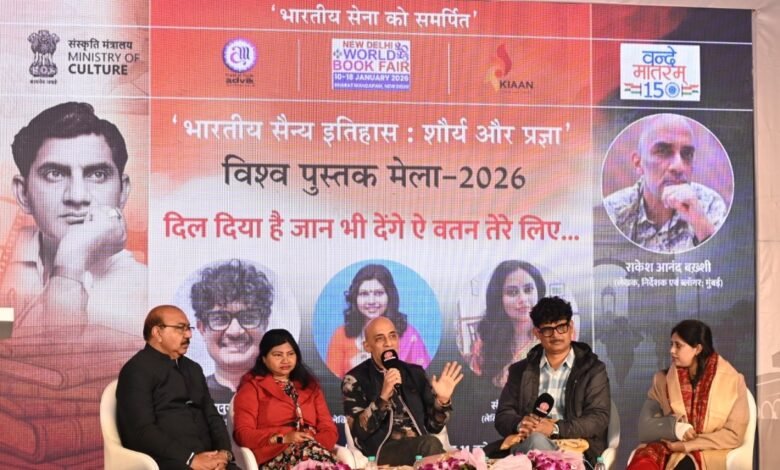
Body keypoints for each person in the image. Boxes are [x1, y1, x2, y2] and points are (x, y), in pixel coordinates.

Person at [2, 101, 146, 335]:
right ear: (23, 194)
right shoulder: (6, 269)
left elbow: (62, 349)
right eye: (54, 174)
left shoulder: (147, 289)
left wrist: (71, 259)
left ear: (123, 191)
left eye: (97, 174)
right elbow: (4, 344)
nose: (77, 196)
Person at [116, 305, 238, 470]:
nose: (188, 335)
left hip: (210, 460)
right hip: (169, 462)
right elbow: (141, 431)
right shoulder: (136, 370)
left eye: (188, 328)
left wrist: (223, 453)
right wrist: (191, 459)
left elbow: (212, 416)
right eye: (180, 328)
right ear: (157, 332)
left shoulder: (193, 369)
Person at [494, 296, 610, 467]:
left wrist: (555, 429)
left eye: (561, 327)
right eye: (548, 330)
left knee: (537, 442)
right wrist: (521, 424)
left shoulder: (592, 369)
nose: (556, 335)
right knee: (535, 441)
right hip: (528, 447)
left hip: (577, 449)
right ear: (537, 333)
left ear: (571, 327)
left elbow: (598, 418)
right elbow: (503, 415)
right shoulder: (520, 370)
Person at [627, 319, 749, 470]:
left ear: (697, 349)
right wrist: (676, 429)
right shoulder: (662, 380)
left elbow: (734, 435)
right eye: (671, 344)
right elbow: (644, 428)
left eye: (678, 345)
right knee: (643, 463)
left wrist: (689, 445)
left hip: (709, 451)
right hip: (668, 445)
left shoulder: (733, 381)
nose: (672, 350)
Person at [342, 316, 463, 466]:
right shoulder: (355, 379)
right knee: (431, 445)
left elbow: (434, 426)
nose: (388, 343)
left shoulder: (415, 373)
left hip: (421, 445)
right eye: (380, 339)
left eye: (392, 336)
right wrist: (383, 398)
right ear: (367, 346)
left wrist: (442, 401)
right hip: (382, 450)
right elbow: (359, 432)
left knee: (458, 456)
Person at [603, 113, 728, 253]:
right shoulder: (612, 210)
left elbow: (724, 261)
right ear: (638, 163)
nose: (678, 166)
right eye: (663, 151)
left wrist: (700, 223)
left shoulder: (710, 204)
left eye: (687, 154)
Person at [233, 329, 339, 468]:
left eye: (290, 354)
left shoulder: (310, 386)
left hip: (314, 450)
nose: (285, 360)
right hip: (274, 455)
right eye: (278, 355)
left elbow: (329, 429)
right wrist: (284, 437)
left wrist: (311, 442)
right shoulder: (252, 387)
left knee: (313, 458)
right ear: (264, 359)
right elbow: (243, 434)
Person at [190, 259, 274, 412]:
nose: (235, 331)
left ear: (265, 324)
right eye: (220, 318)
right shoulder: (186, 398)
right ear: (202, 328)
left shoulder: (290, 396)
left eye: (248, 317)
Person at [327, 264, 430, 378]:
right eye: (364, 294)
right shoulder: (341, 335)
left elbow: (423, 382)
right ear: (355, 298)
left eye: (379, 293)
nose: (371, 301)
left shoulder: (409, 335)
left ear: (390, 296)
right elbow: (331, 384)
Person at [470, 260, 546, 388]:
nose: (523, 299)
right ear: (498, 299)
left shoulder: (554, 337)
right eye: (512, 292)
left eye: (528, 290)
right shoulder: (485, 344)